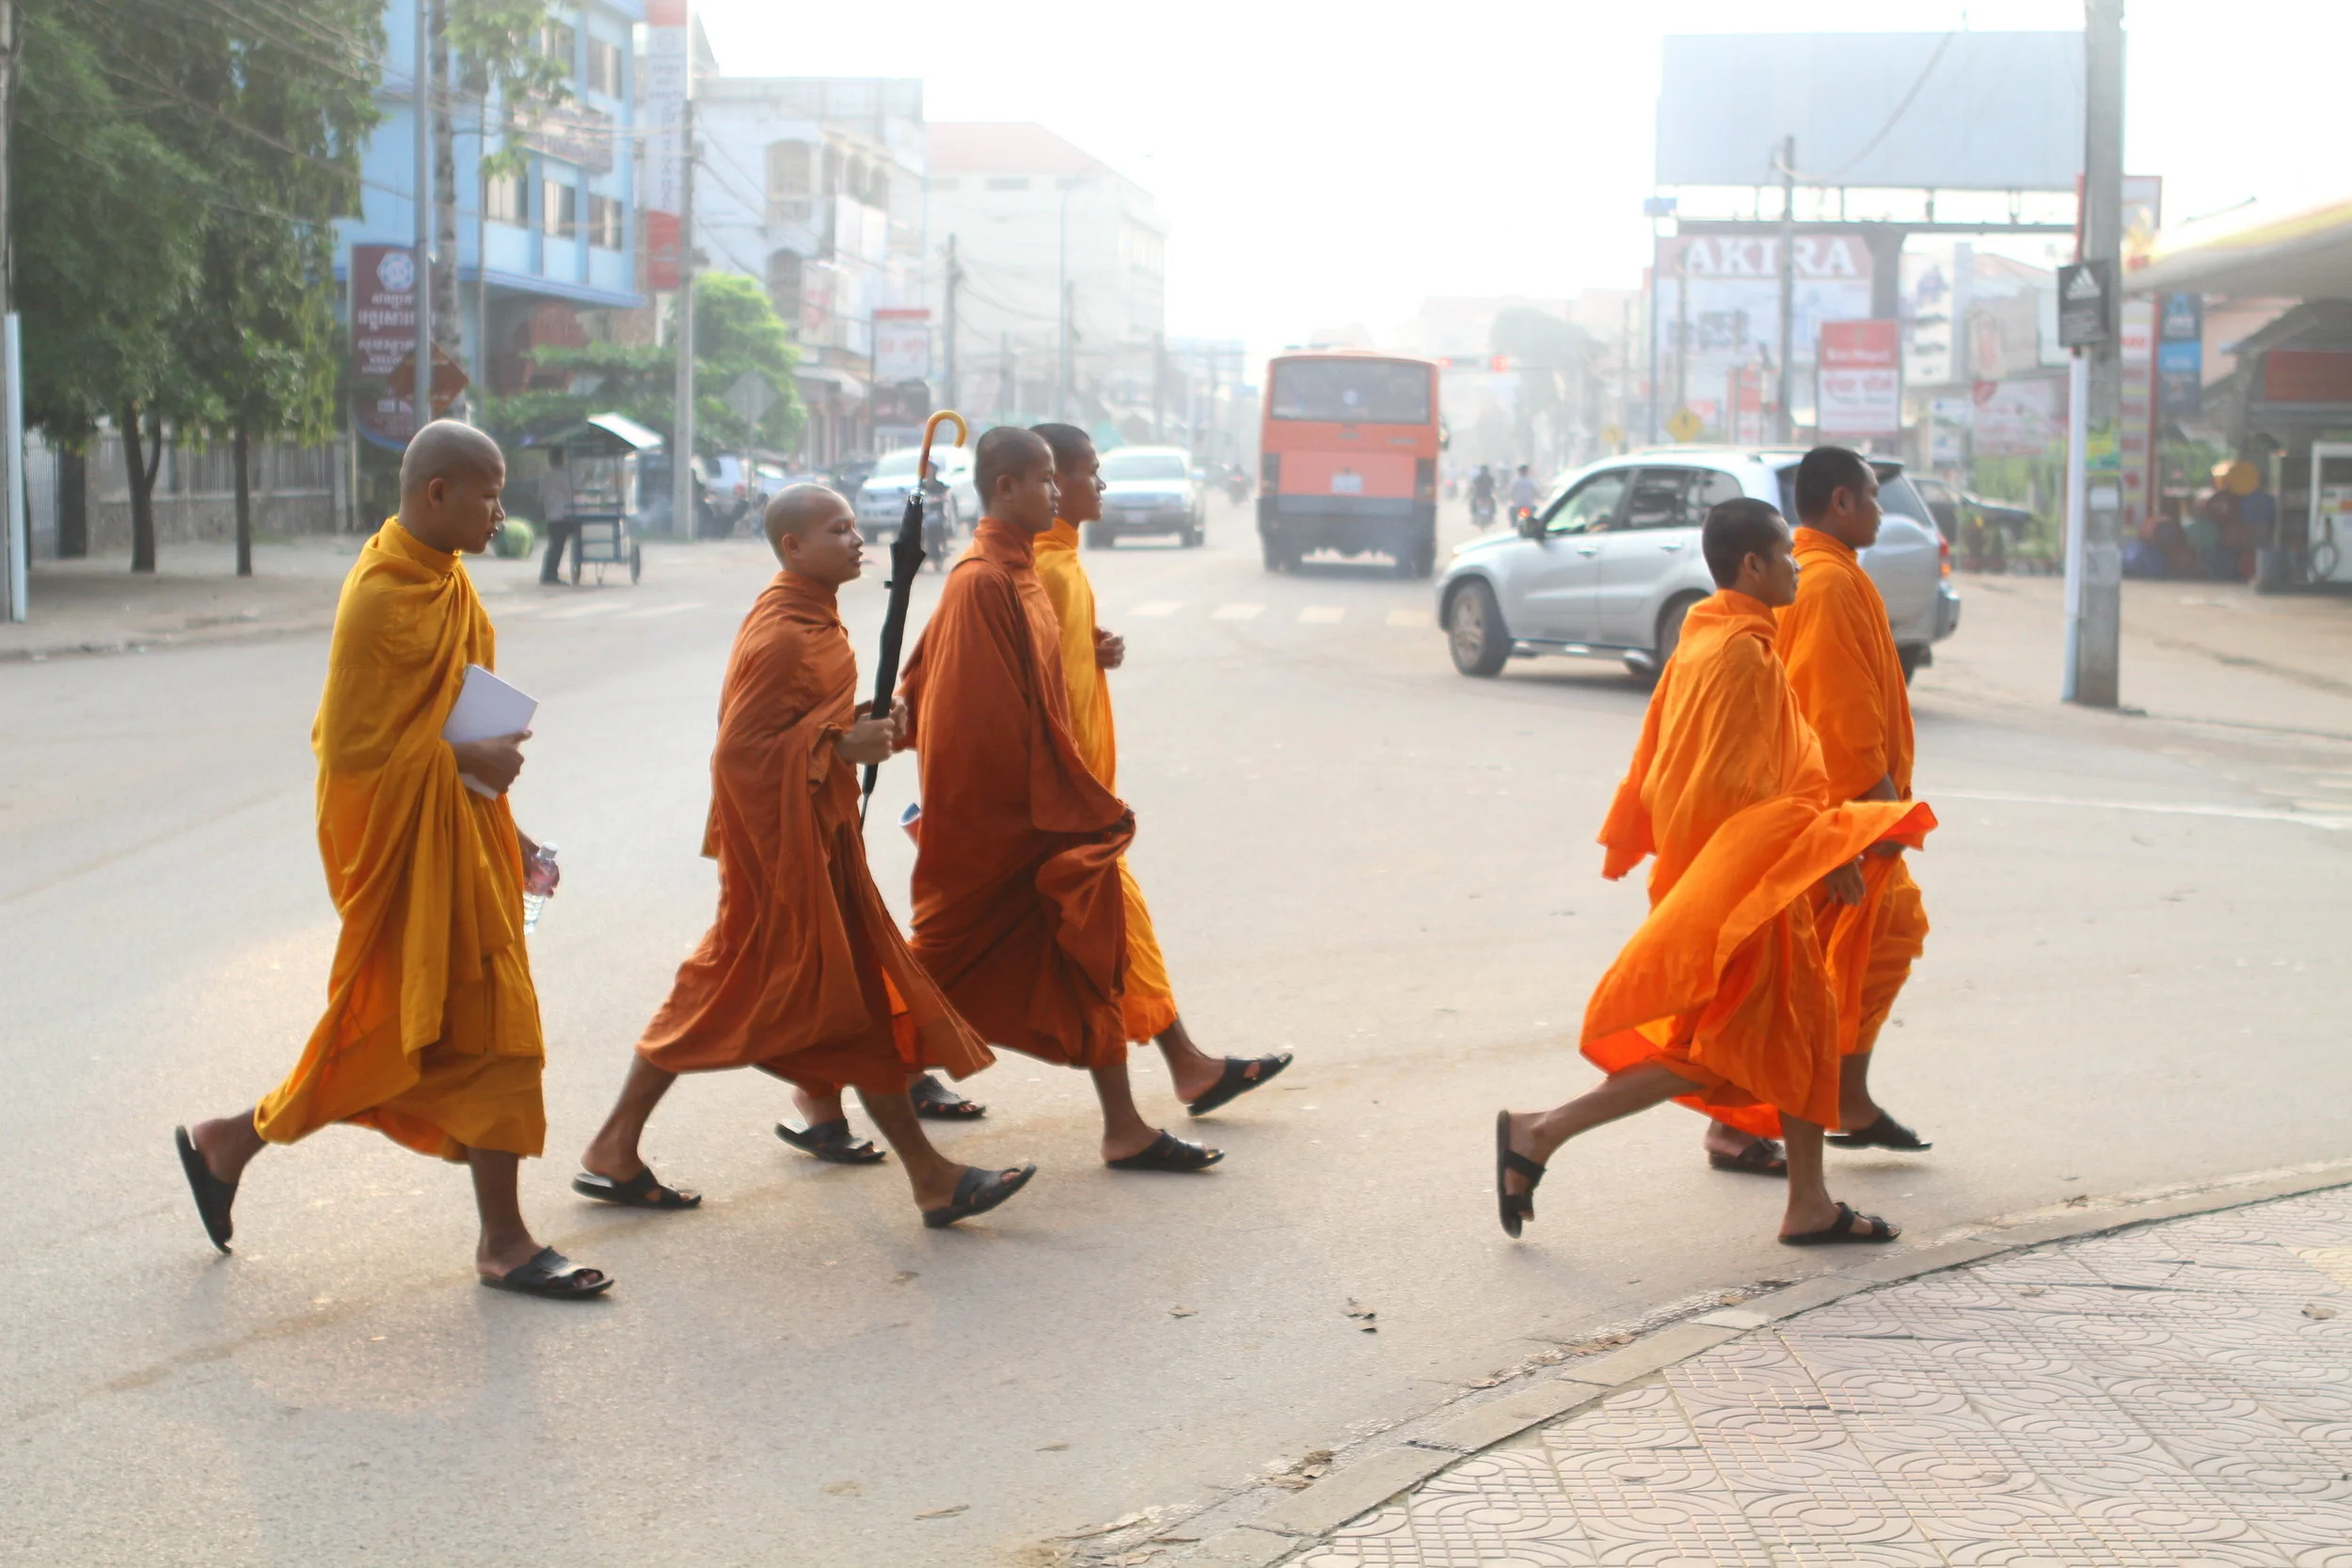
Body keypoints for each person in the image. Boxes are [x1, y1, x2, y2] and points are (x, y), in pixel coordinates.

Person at [173, 421, 609, 1299]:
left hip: (462, 840)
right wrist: (464, 761)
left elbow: (460, 723)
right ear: (437, 492)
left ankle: (233, 1142)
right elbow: (352, 754)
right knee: (428, 1035)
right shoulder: (381, 596)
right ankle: (501, 1239)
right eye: (489, 494)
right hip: (406, 853)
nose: (501, 513)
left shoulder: (448, 581)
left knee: (465, 1037)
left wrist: (512, 832)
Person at [574, 485, 1034, 1228]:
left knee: (826, 1000)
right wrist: (838, 744)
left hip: (815, 843)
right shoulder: (785, 632)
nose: (857, 539)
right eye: (838, 529)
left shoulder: (812, 615)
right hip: (778, 856)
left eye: (854, 526)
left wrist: (855, 722)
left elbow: (796, 721)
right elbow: (738, 754)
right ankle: (928, 1176)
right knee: (751, 999)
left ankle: (616, 1144)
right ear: (794, 546)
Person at [1494, 498, 1933, 1247]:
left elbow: (1670, 762)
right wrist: (1822, 851)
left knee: (1800, 1028)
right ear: (1752, 565)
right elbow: (1741, 788)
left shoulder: (1709, 635)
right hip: (1748, 884)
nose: (1797, 569)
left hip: (1738, 875)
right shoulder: (1740, 655)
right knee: (1717, 1047)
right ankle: (1540, 1131)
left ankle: (1809, 1201)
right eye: (1785, 556)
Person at [899, 427, 1221, 1172]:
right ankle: (829, 1083)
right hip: (1002, 826)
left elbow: (1046, 689)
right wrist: (1051, 802)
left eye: (1056, 478)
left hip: (1051, 817)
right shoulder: (983, 580)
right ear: (1005, 487)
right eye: (1045, 479)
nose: (1056, 492)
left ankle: (1125, 1126)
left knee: (1092, 957)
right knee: (939, 969)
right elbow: (969, 719)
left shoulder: (1020, 571)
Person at [1025, 422, 1292, 1111]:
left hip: (1080, 804)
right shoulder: (1043, 569)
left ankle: (1188, 1065)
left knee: (1113, 931)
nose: (1099, 485)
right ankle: (882, 1061)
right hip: (1061, 805)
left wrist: (1089, 648)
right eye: (1084, 472)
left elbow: (1051, 666)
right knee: (992, 952)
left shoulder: (1060, 563)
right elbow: (1029, 691)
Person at [1770, 447, 1932, 1153]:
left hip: (1838, 809)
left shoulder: (1830, 572)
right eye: (1871, 495)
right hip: (1838, 814)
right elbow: (1838, 709)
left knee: (1868, 947)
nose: (1880, 510)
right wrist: (1879, 805)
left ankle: (1848, 1099)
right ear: (1840, 502)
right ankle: (1742, 1120)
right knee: (1801, 975)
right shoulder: (1828, 582)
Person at [536, 446, 577, 586]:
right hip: (563, 515)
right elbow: (572, 492)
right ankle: (550, 575)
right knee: (557, 547)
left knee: (554, 546)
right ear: (561, 458)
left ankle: (548, 574)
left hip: (551, 515)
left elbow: (540, 497)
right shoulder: (565, 476)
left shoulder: (545, 476)